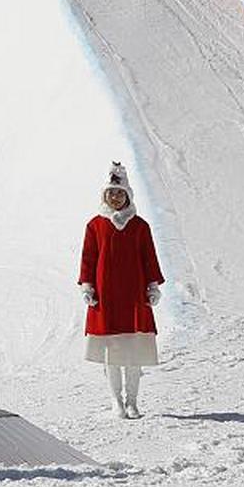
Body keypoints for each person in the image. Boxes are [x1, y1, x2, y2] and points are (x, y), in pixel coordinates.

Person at [78, 161, 164, 420]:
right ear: (104, 196)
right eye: (110, 193)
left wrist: (152, 287)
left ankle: (133, 401)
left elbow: (149, 258)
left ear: (127, 195)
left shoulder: (140, 226)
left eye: (119, 193)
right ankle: (116, 401)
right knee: (111, 353)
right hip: (106, 297)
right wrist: (87, 286)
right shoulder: (95, 226)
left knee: (133, 353)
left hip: (134, 297)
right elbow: (88, 258)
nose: (115, 197)